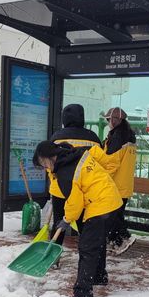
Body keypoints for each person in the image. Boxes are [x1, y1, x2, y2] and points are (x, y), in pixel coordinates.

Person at [33, 140, 122, 297]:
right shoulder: (73, 155)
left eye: (43, 164)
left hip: (101, 205)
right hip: (111, 201)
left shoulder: (65, 172)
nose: (45, 168)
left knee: (87, 247)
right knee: (96, 242)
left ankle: (82, 293)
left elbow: (75, 202)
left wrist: (66, 219)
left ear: (48, 158)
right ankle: (99, 276)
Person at [48, 104, 103, 245]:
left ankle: (54, 256)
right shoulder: (94, 139)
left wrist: (52, 180)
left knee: (59, 221)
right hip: (85, 190)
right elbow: (100, 163)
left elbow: (50, 165)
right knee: (84, 224)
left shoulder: (57, 137)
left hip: (60, 189)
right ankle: (86, 254)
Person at [101, 107, 137, 255]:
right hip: (124, 183)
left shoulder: (117, 137)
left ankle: (124, 237)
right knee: (116, 214)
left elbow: (111, 162)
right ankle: (115, 242)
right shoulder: (129, 136)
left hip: (115, 183)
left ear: (114, 120)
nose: (108, 122)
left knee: (113, 215)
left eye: (109, 120)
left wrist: (101, 174)